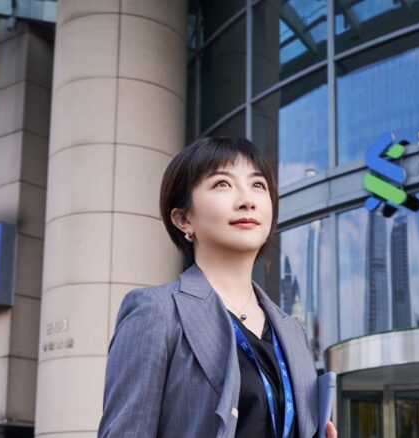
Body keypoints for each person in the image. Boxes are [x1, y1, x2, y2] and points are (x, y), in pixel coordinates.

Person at [97, 137, 337, 438]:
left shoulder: (291, 332)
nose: (247, 199)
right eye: (223, 184)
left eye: (258, 185)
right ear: (183, 219)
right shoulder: (156, 312)